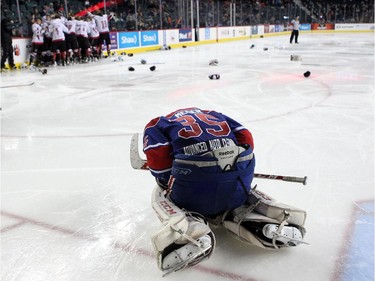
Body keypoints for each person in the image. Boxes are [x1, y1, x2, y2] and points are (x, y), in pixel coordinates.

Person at [142, 107, 307, 274]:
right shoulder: (214, 115)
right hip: (236, 183)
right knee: (236, 184)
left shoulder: (159, 123)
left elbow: (160, 164)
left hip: (192, 192)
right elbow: (246, 139)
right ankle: (265, 219)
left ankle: (187, 232)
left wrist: (174, 173)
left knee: (161, 189)